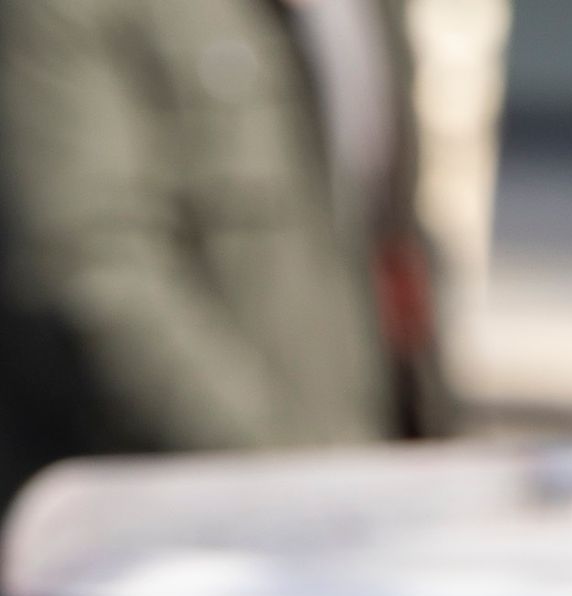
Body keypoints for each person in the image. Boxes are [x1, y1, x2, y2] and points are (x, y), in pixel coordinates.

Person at [0, 0, 449, 513]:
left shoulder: (363, 14)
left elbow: (390, 239)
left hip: (360, 503)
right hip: (165, 529)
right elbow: (90, 279)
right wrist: (295, 486)